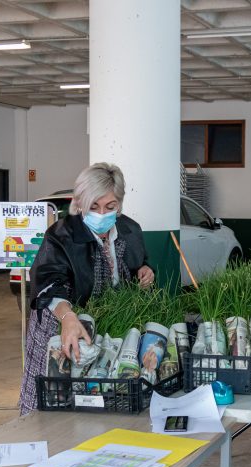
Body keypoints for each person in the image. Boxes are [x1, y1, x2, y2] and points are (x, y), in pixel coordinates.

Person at [18, 162, 154, 414]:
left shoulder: (130, 229)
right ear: (79, 203)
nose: (102, 213)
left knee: (98, 400)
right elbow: (49, 283)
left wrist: (144, 271)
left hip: (105, 329)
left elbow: (138, 262)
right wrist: (68, 317)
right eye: (94, 206)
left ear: (120, 205)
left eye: (110, 207)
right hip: (61, 325)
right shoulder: (61, 235)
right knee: (54, 402)